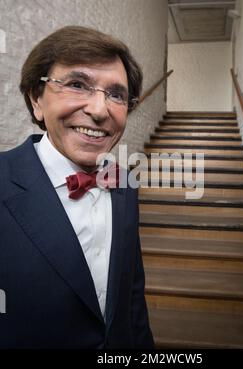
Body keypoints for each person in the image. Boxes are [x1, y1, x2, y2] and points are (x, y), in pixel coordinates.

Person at [0, 25, 154, 349]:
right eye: (76, 84)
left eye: (116, 94)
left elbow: (131, 300)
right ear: (36, 99)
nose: (99, 110)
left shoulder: (126, 182)